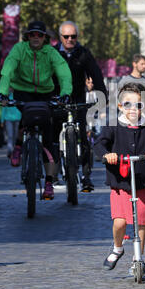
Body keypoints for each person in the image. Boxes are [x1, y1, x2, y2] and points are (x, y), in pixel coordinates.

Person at [94, 83, 145, 273]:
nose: (133, 109)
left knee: (140, 223)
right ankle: (118, 248)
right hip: (120, 183)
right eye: (128, 104)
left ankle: (138, 259)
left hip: (143, 181)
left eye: (138, 105)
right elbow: (100, 144)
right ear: (120, 106)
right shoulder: (113, 126)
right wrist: (107, 155)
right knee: (120, 221)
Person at [0, 21, 72, 200]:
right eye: (32, 34)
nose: (36, 38)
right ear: (27, 36)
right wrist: (2, 92)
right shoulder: (19, 49)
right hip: (23, 91)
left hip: (46, 93)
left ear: (45, 38)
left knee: (48, 138)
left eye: (39, 35)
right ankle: (17, 146)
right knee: (25, 119)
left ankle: (49, 182)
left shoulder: (51, 52)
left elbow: (63, 72)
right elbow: (7, 70)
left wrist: (65, 93)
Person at [52, 21, 107, 192]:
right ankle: (52, 175)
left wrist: (102, 95)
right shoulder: (51, 53)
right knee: (52, 138)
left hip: (77, 99)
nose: (70, 40)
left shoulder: (84, 53)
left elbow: (95, 73)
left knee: (83, 136)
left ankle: (86, 176)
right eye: (66, 37)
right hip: (56, 99)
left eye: (73, 36)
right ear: (60, 37)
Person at [1, 89, 21, 158]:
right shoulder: (6, 97)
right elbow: (3, 109)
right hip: (9, 119)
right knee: (11, 136)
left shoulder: (18, 96)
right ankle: (10, 150)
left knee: (14, 136)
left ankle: (14, 151)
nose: (10, 89)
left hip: (17, 118)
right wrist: (2, 120)